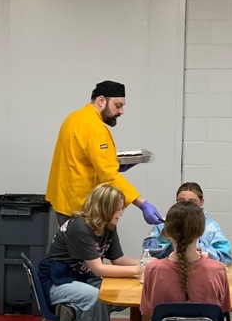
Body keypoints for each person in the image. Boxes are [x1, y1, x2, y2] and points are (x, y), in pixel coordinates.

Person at [38, 184, 140, 321]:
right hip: (56, 281)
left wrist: (148, 263)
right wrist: (137, 270)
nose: (121, 213)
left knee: (120, 293)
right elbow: (99, 269)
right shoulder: (79, 227)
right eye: (119, 209)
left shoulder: (108, 226)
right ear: (105, 208)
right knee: (95, 298)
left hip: (80, 277)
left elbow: (118, 260)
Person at [46, 80, 163, 229]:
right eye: (118, 105)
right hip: (82, 207)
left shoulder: (74, 118)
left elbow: (80, 159)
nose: (121, 112)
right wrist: (142, 203)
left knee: (73, 250)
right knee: (91, 252)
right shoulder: (96, 128)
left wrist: (115, 163)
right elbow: (109, 176)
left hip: (64, 202)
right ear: (101, 100)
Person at [140, 201, 232, 321]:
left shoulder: (153, 269)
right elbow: (223, 310)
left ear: (167, 231)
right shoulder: (218, 270)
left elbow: (146, 312)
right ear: (201, 231)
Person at [142, 182, 232, 264]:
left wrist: (203, 253)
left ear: (201, 202)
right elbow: (147, 254)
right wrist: (164, 237)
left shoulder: (211, 226)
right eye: (181, 201)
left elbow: (226, 257)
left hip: (202, 272)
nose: (186, 206)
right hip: (167, 272)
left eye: (192, 202)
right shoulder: (163, 224)